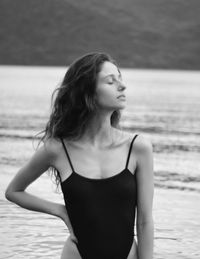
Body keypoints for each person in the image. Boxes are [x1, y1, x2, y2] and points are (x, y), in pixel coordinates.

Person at [5, 52, 154, 259]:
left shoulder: (138, 148)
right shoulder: (57, 149)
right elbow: (14, 191)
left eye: (120, 79)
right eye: (111, 81)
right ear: (88, 92)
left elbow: (145, 220)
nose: (122, 86)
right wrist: (60, 210)